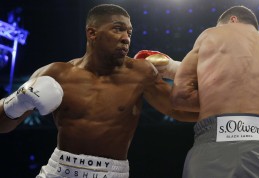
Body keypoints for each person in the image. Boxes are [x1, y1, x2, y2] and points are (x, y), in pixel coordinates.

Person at [0, 4, 198, 178]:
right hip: (59, 170)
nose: (126, 38)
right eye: (118, 29)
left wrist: (221, 100)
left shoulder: (141, 73)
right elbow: (3, 125)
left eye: (129, 32)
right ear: (92, 33)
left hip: (111, 172)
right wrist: (17, 101)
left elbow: (180, 109)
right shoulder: (56, 73)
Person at [171, 5, 259, 178]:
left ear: (232, 19)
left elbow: (181, 96)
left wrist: (218, 101)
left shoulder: (210, 34)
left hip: (211, 149)